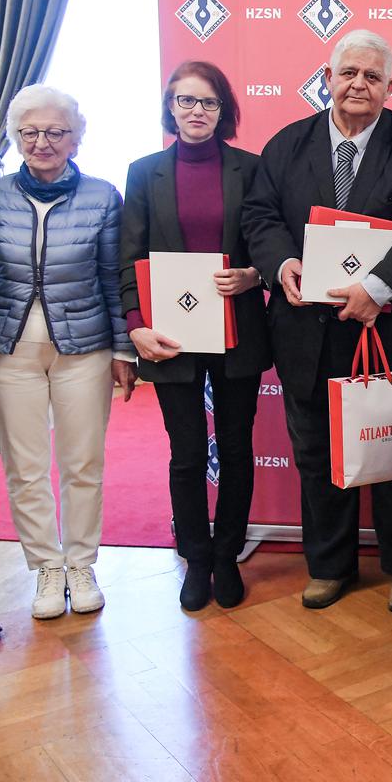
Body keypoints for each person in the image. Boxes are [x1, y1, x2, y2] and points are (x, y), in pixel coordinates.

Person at [242, 29, 392, 613]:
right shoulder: (287, 145)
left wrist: (377, 290)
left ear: (391, 87)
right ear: (327, 78)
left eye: (373, 76)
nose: (359, 84)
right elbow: (259, 215)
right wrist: (280, 263)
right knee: (315, 451)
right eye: (349, 73)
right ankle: (329, 566)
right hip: (306, 331)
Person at [0, 85, 136, 618]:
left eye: (56, 132)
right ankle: (45, 567)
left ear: (76, 139)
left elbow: (113, 278)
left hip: (85, 347)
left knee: (83, 461)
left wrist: (124, 350)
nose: (42, 142)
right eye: (30, 132)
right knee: (25, 466)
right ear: (16, 138)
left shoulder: (103, 196)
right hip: (4, 348)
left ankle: (81, 562)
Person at [121, 61, 272, 611]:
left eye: (207, 102)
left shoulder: (250, 169)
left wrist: (255, 275)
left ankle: (227, 554)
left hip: (238, 330)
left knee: (235, 448)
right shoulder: (144, 173)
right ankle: (196, 557)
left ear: (222, 110)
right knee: (185, 453)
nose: (196, 111)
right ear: (170, 107)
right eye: (185, 100)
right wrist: (135, 325)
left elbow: (270, 241)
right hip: (170, 334)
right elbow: (128, 256)